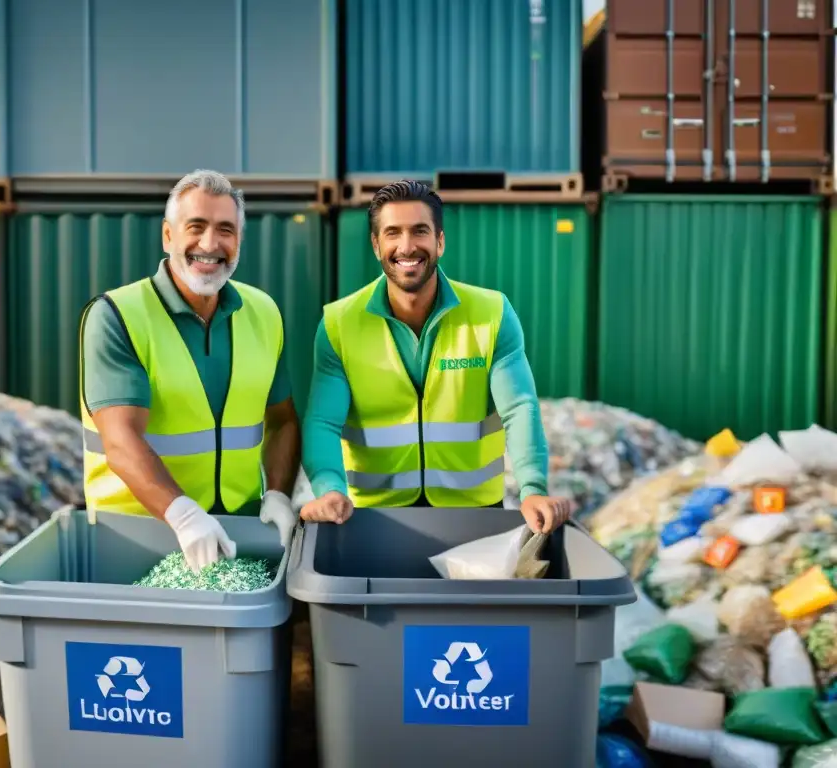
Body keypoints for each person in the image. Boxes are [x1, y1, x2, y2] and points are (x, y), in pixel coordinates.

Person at [300, 180, 572, 534]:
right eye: (393, 233)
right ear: (375, 244)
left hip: (475, 515)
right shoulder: (340, 324)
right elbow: (323, 422)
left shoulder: (491, 314)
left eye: (420, 231)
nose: (407, 246)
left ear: (440, 241)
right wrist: (329, 490)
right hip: (373, 519)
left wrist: (533, 489)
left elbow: (519, 408)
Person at [78, 169, 301, 572]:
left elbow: (283, 420)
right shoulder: (116, 316)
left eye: (226, 230)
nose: (210, 244)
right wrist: (182, 514)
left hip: (242, 534)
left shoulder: (264, 312)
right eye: (195, 227)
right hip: (134, 540)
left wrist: (279, 495)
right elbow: (120, 441)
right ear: (168, 236)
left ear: (239, 241)